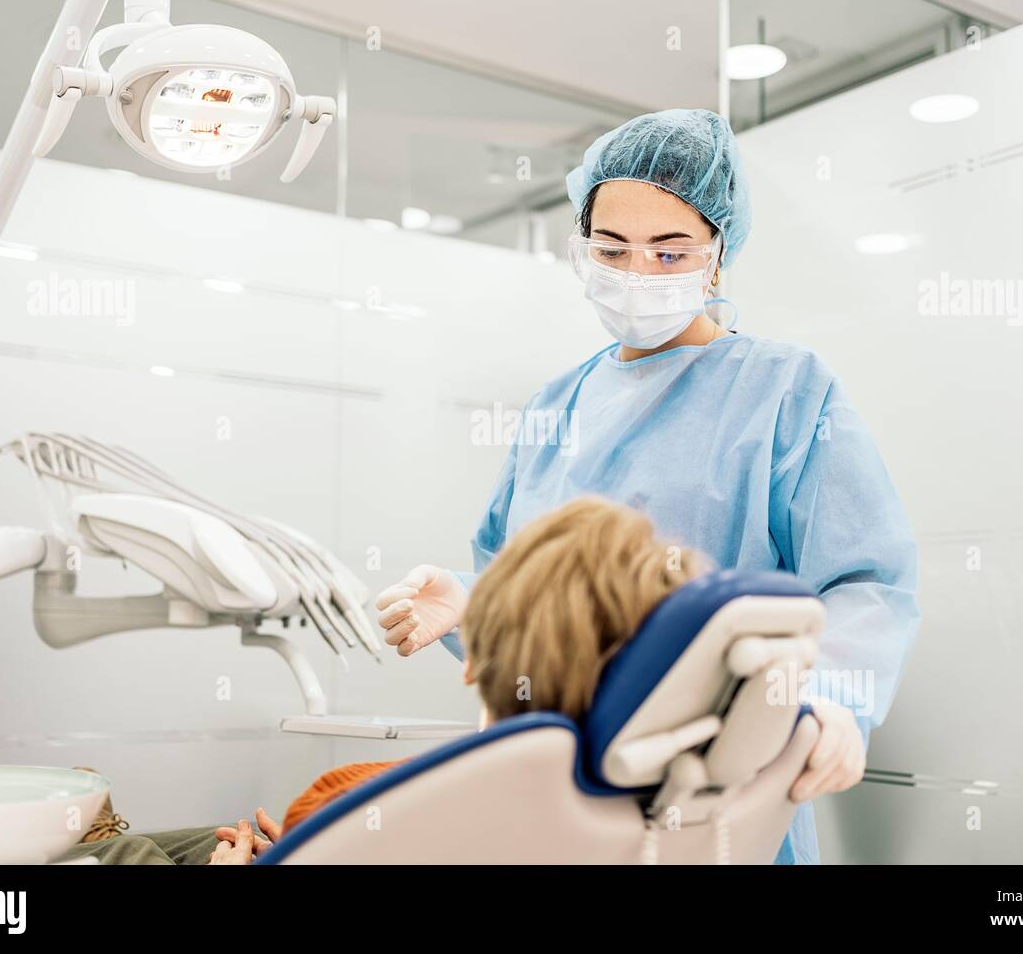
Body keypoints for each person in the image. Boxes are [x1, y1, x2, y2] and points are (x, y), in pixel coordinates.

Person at [375, 108, 920, 865]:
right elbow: (535, 589)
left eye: (670, 254)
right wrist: (477, 603)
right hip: (559, 781)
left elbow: (866, 581)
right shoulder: (557, 404)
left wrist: (830, 699)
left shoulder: (784, 390)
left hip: (721, 789)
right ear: (581, 247)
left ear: (718, 255)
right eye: (613, 248)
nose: (637, 276)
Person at [54, 497, 706, 865]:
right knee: (179, 842)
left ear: (474, 663)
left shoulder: (353, 798)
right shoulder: (639, 798)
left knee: (112, 859)